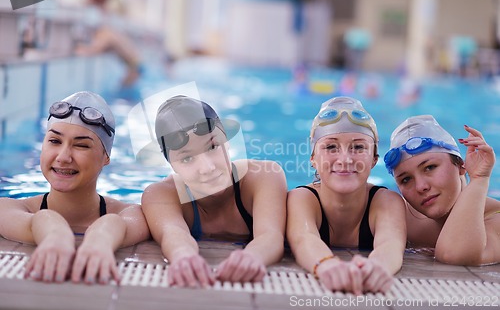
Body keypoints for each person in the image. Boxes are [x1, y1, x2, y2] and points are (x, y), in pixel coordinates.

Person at [0, 91, 150, 284]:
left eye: (81, 145)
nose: (63, 157)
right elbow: (33, 220)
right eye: (54, 141)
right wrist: (55, 233)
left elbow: (119, 222)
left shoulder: (132, 213)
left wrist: (101, 238)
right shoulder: (9, 207)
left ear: (106, 157)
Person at [141, 95, 287, 287]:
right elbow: (173, 233)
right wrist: (182, 255)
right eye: (186, 159)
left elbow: (271, 235)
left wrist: (254, 255)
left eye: (212, 147)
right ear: (172, 165)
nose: (207, 168)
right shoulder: (161, 195)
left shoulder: (263, 176)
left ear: (226, 141)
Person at [286, 96, 406, 295]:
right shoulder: (302, 198)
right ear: (313, 159)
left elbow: (391, 243)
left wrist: (378, 266)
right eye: (331, 147)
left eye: (358, 147)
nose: (345, 159)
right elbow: (303, 238)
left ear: (374, 159)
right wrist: (326, 265)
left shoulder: (386, 201)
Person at [384, 115, 500, 265]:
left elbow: (454, 254)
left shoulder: (495, 219)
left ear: (460, 165)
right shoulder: (401, 218)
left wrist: (479, 180)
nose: (421, 186)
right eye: (405, 179)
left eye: (430, 167)